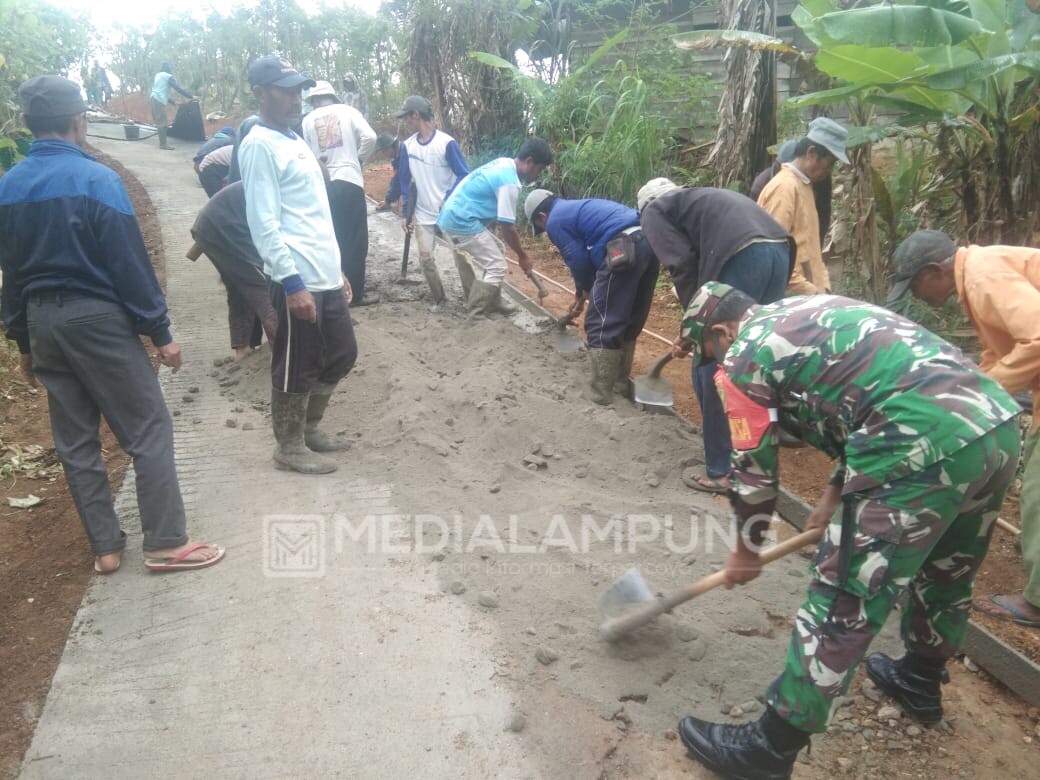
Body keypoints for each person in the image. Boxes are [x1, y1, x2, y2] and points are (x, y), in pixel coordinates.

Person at [674, 281, 1020, 778]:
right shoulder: (805, 310)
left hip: (915, 444)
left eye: (710, 351)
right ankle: (920, 681)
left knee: (844, 594)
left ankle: (769, 748)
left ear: (724, 331)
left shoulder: (745, 354)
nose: (716, 364)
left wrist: (747, 549)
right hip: (993, 425)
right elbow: (866, 391)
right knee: (947, 569)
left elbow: (752, 476)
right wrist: (834, 495)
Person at [0, 75, 224, 574]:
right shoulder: (97, 180)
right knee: (147, 427)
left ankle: (106, 548)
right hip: (95, 317)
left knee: (75, 440)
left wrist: (21, 339)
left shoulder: (7, 186)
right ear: (80, 121)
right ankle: (166, 543)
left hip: (43, 322)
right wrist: (160, 332)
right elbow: (128, 265)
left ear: (24, 123)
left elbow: (11, 273)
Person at [888, 229, 1040, 629]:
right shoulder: (978, 273)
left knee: (1038, 492)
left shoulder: (982, 275)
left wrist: (988, 390)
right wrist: (970, 384)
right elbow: (1001, 348)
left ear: (934, 271)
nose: (918, 296)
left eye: (916, 285)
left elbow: (1038, 335)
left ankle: (1037, 602)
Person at [238, 56, 358, 475]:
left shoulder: (294, 139)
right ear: (260, 93)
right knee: (296, 363)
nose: (294, 98)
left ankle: (308, 429)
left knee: (342, 353)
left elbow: (314, 215)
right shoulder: (258, 145)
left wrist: (336, 268)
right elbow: (264, 221)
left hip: (322, 273)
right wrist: (292, 283)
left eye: (296, 90)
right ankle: (288, 446)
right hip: (297, 277)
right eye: (284, 90)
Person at [637, 179, 794, 493]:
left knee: (713, 362)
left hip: (744, 253)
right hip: (780, 251)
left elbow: (680, 265)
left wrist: (695, 325)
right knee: (754, 353)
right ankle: (758, 454)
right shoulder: (700, 202)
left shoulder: (654, 211)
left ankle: (721, 470)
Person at [525, 190, 659, 404]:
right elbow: (586, 257)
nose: (544, 230)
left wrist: (587, 288)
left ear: (542, 216)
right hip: (650, 244)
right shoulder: (575, 208)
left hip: (622, 246)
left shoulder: (554, 220)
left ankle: (601, 394)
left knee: (601, 321)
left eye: (540, 227)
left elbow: (577, 260)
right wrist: (582, 292)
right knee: (630, 316)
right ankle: (619, 384)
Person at [436, 137, 554, 317]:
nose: (538, 174)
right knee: (497, 266)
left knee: (497, 249)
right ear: (529, 162)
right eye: (539, 169)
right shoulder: (509, 183)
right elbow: (507, 228)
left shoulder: (505, 163)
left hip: (456, 214)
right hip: (460, 220)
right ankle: (476, 313)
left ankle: (494, 301)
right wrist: (522, 256)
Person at [301, 80, 379, 306]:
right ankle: (355, 294)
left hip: (322, 183)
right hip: (349, 180)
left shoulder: (307, 121)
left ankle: (335, 290)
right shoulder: (348, 111)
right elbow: (370, 138)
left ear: (314, 100)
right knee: (355, 239)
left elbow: (307, 154)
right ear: (333, 97)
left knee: (331, 236)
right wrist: (358, 159)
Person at [757, 117, 848, 296]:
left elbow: (811, 248)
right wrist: (810, 293)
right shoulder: (784, 188)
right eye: (830, 164)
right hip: (791, 299)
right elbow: (774, 256)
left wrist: (823, 289)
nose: (829, 171)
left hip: (808, 296)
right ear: (812, 153)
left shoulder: (804, 186)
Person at [189, 181, 278, 361]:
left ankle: (242, 349)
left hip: (212, 225)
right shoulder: (292, 187)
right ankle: (285, 355)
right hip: (224, 227)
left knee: (239, 287)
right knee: (263, 287)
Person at [395, 95, 470, 305]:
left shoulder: (446, 144)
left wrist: (449, 197)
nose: (405, 122)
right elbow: (404, 181)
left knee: (461, 258)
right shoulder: (407, 147)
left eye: (406, 118)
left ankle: (473, 300)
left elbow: (464, 174)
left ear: (416, 115)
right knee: (426, 259)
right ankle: (440, 300)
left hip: (449, 213)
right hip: (423, 213)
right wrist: (406, 214)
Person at [749, 139, 832, 249]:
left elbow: (822, 218)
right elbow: (759, 228)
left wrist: (815, 252)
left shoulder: (819, 177)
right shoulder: (763, 184)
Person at [150, 62, 194, 151]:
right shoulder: (168, 76)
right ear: (169, 70)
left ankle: (163, 143)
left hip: (153, 98)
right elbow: (177, 88)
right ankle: (163, 144)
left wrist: (173, 102)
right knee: (163, 123)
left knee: (161, 122)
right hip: (157, 100)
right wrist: (191, 96)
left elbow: (161, 91)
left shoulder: (158, 75)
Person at [374, 133, 401, 213]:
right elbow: (396, 179)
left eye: (383, 151)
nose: (383, 154)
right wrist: (388, 200)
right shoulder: (396, 158)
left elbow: (399, 180)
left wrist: (388, 201)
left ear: (389, 148)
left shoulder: (403, 155)